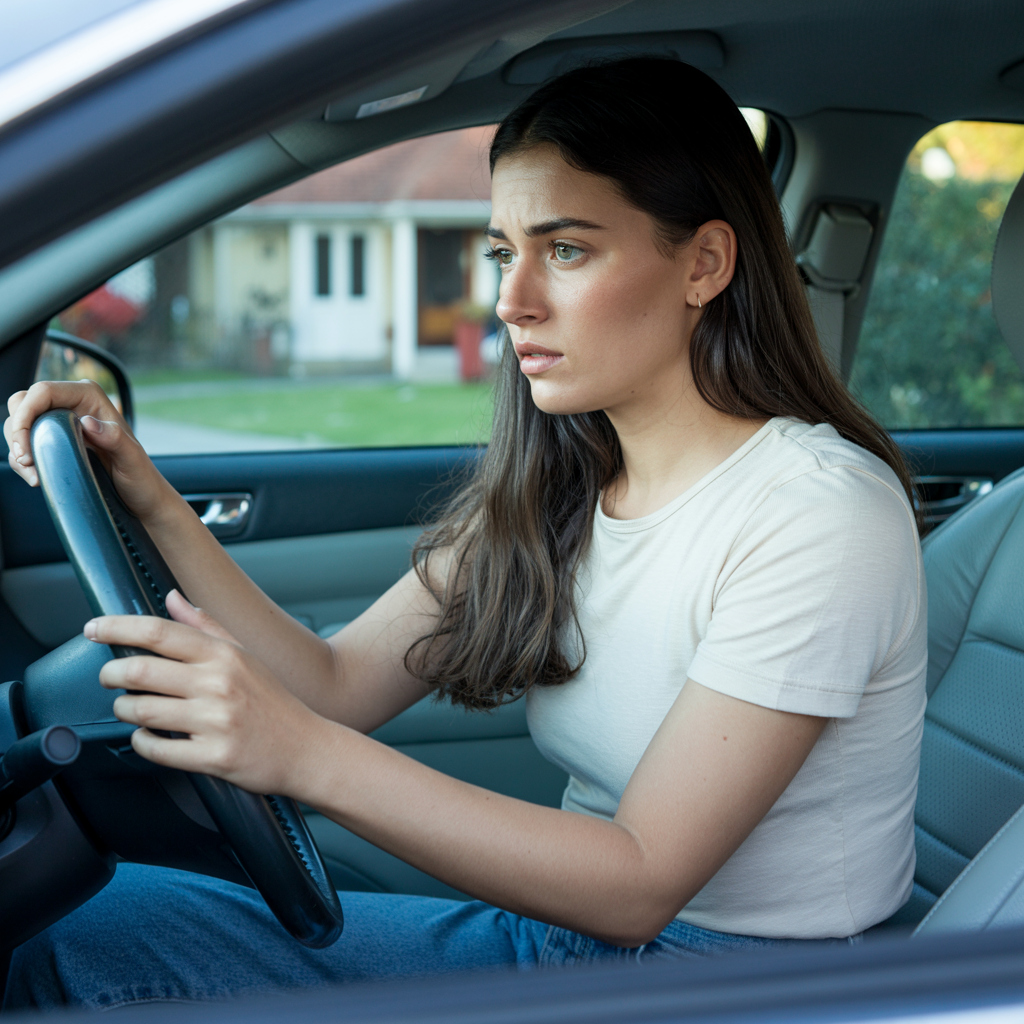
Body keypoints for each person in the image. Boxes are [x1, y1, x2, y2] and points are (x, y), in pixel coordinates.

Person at [2, 58, 926, 1011]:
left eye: (565, 250)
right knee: (84, 917)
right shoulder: (566, 481)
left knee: (74, 952)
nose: (511, 299)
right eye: (501, 252)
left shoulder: (815, 512)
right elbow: (334, 684)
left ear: (704, 264)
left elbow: (641, 882)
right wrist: (148, 495)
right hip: (568, 943)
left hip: (742, 983)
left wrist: (297, 753)